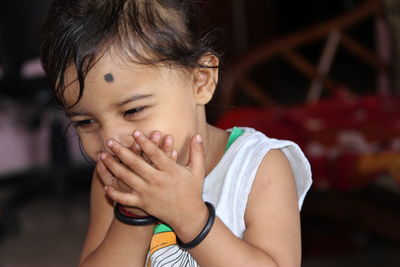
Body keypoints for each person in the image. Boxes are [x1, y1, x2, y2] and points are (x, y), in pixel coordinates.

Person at [40, 0, 312, 266]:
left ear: (200, 80)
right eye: (86, 122)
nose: (110, 140)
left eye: (133, 110)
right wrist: (133, 215)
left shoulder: (259, 167)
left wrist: (192, 219)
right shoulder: (112, 180)